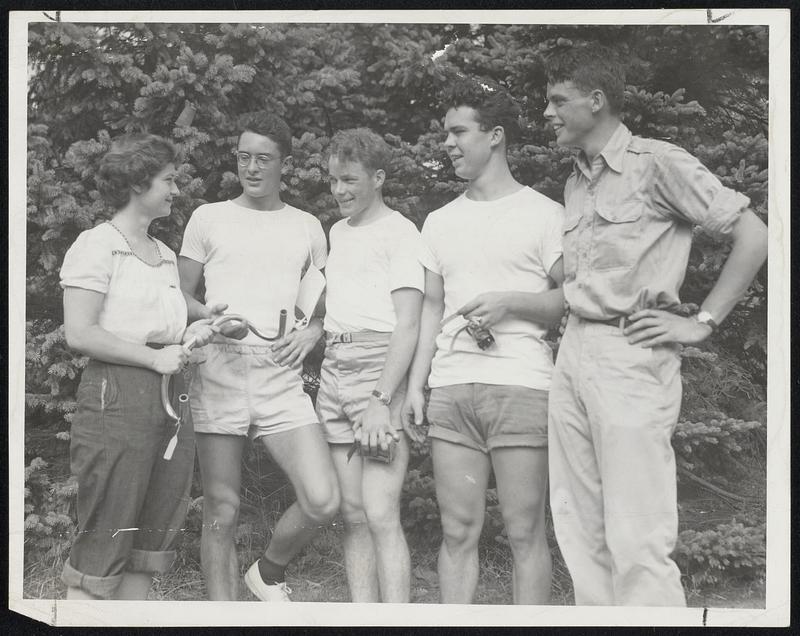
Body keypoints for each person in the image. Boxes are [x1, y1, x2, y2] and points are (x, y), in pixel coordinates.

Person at [542, 43, 769, 606]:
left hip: (631, 355)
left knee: (636, 535)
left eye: (557, 100)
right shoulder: (576, 181)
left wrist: (702, 322)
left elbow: (755, 236)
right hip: (574, 352)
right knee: (580, 532)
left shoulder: (657, 162)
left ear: (596, 101)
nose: (547, 113)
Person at [402, 78, 566, 604]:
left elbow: (575, 296)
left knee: (524, 534)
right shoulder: (439, 221)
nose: (447, 144)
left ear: (494, 135)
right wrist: (415, 386)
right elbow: (430, 308)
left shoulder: (545, 214)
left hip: (521, 386)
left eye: (458, 132)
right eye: (445, 134)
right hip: (452, 389)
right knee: (457, 533)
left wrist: (511, 302)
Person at [178, 112, 340, 602]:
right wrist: (209, 315)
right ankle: (221, 616)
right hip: (220, 365)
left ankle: (267, 572)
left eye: (263, 159)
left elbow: (324, 302)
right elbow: (178, 294)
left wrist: (313, 332)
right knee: (220, 511)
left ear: (284, 163)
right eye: (243, 156)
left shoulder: (307, 226)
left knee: (323, 499)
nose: (251, 168)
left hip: (279, 371)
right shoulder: (209, 217)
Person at [59, 133, 217, 600]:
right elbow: (81, 333)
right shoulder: (98, 245)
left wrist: (201, 329)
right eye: (168, 180)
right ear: (136, 183)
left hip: (169, 396)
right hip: (116, 396)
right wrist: (154, 358)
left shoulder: (164, 254)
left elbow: (162, 331)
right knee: (107, 531)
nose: (175, 189)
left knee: (152, 532)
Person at [315, 128, 424, 602]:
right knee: (353, 515)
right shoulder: (337, 231)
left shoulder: (400, 232)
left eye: (350, 180)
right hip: (334, 369)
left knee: (381, 515)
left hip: (377, 370)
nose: (339, 191)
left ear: (378, 178)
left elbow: (408, 324)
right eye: (333, 180)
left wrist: (383, 399)